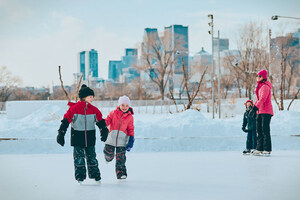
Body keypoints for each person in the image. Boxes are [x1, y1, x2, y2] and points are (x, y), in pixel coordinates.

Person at [56, 84, 109, 183]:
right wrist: (61, 133)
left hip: (90, 138)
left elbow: (101, 122)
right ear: (83, 98)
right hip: (77, 138)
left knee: (92, 158)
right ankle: (80, 176)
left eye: (92, 97)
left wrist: (104, 131)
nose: (92, 99)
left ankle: (95, 175)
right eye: (90, 97)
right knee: (79, 158)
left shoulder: (94, 110)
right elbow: (65, 121)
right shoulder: (74, 109)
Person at [103, 95, 135, 180]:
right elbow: (107, 121)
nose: (125, 107)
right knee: (109, 153)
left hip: (122, 141)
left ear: (129, 106)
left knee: (121, 158)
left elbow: (130, 128)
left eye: (127, 105)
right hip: (111, 139)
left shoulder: (130, 117)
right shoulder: (113, 113)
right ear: (119, 105)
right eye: (123, 105)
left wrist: (131, 138)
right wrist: (102, 124)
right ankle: (108, 157)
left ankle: (121, 173)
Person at [249, 69, 274, 156]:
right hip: (260, 111)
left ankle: (267, 149)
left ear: (264, 77)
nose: (257, 77)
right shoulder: (259, 87)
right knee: (258, 130)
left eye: (260, 76)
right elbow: (258, 99)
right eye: (257, 76)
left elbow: (263, 99)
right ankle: (260, 148)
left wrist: (255, 108)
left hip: (266, 111)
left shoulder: (265, 87)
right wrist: (253, 109)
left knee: (265, 130)